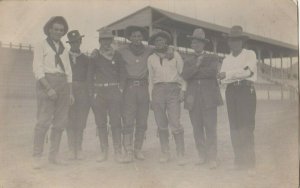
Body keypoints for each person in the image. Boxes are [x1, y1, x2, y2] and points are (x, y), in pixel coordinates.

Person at [32, 16, 73, 169]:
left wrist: (70, 92)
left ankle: (53, 156)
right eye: (55, 29)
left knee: (60, 122)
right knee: (43, 122)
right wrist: (48, 88)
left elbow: (69, 72)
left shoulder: (65, 49)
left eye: (61, 30)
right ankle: (37, 156)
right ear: (49, 29)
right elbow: (38, 68)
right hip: (47, 83)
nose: (58, 32)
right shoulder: (41, 45)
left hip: (63, 84)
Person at [218, 25, 257, 175]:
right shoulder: (227, 59)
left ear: (242, 41)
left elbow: (248, 72)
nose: (234, 43)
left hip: (246, 91)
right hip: (231, 92)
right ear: (228, 42)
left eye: (237, 40)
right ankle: (239, 161)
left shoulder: (250, 54)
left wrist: (228, 74)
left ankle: (250, 163)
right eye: (232, 40)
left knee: (246, 127)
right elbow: (222, 80)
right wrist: (228, 76)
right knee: (234, 127)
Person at [181, 28, 223, 169]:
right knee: (197, 128)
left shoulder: (213, 58)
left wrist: (195, 70)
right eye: (193, 42)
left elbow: (212, 72)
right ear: (191, 45)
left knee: (210, 127)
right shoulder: (187, 59)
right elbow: (185, 75)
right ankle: (202, 155)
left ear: (203, 44)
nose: (196, 44)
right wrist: (197, 67)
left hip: (209, 97)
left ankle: (212, 157)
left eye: (198, 42)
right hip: (193, 98)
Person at [147, 30, 187, 166]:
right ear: (154, 43)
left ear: (167, 42)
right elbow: (150, 79)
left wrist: (183, 90)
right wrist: (150, 98)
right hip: (157, 91)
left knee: (175, 122)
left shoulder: (175, 54)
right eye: (157, 41)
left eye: (162, 40)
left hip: (173, 90)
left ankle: (181, 154)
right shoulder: (151, 58)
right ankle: (165, 152)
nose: (160, 43)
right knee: (161, 124)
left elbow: (182, 74)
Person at [117, 25, 152, 163]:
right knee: (128, 119)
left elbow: (164, 49)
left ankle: (138, 149)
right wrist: (96, 51)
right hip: (129, 88)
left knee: (142, 120)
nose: (136, 38)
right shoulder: (122, 50)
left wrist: (170, 51)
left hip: (143, 87)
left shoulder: (149, 50)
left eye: (139, 36)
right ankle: (129, 150)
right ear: (129, 37)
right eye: (134, 36)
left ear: (142, 37)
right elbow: (108, 53)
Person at [89, 28, 123, 163]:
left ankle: (118, 151)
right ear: (99, 41)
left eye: (108, 39)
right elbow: (90, 75)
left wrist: (121, 89)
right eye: (103, 40)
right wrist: (92, 93)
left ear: (112, 41)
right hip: (100, 93)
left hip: (114, 91)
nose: (106, 42)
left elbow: (123, 73)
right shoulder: (95, 56)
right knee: (101, 123)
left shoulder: (117, 55)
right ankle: (104, 151)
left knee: (115, 122)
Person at [66, 30, 90, 160]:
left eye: (77, 42)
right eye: (73, 42)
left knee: (81, 120)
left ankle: (79, 148)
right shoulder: (64, 56)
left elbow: (88, 77)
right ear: (70, 43)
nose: (75, 44)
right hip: (68, 90)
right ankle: (70, 149)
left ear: (80, 42)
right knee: (69, 120)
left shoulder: (86, 59)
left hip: (82, 91)